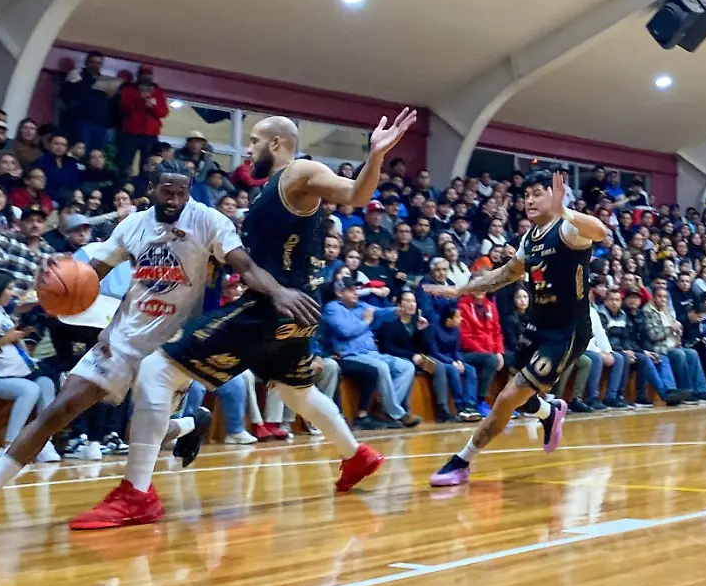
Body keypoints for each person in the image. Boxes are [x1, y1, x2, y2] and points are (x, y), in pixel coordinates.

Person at [0, 160, 318, 535]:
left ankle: (187, 425)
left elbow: (246, 266)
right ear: (151, 190)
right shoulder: (132, 226)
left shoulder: (208, 220)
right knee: (57, 411)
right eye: (166, 191)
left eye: (181, 192)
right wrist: (53, 288)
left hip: (171, 352)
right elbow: (89, 275)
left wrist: (279, 292)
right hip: (122, 339)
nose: (174, 199)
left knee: (139, 434)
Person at [72, 109, 417, 527]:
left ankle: (136, 494)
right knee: (296, 391)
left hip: (273, 306)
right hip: (296, 309)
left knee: (156, 369)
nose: (248, 149)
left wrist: (375, 156)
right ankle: (355, 455)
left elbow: (356, 195)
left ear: (276, 143)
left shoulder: (299, 171)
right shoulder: (272, 188)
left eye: (253, 141)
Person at [423, 169, 608, 487]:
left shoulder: (568, 228)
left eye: (538, 193)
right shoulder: (529, 238)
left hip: (566, 331)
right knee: (517, 392)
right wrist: (461, 290)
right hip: (537, 323)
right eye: (526, 195)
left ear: (554, 195)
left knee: (508, 398)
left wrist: (565, 210)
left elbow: (600, 231)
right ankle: (548, 412)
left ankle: (461, 461)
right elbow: (506, 274)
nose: (530, 200)